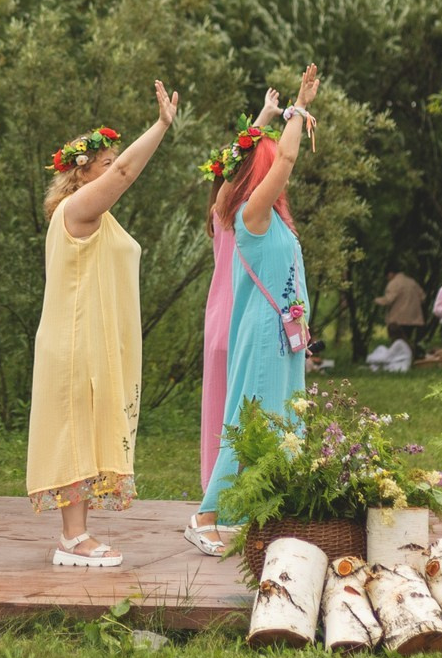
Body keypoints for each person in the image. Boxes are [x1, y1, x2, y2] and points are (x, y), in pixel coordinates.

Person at [26, 81, 181, 569]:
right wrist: (159, 125)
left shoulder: (98, 216)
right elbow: (128, 170)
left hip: (90, 340)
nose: (112, 164)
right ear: (83, 170)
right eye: (104, 161)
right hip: (73, 342)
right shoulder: (78, 210)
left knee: (88, 430)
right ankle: (72, 539)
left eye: (112, 158)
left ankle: (78, 533)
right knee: (75, 432)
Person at [195, 64, 321, 551]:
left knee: (286, 421)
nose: (278, 167)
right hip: (260, 334)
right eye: (269, 162)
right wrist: (296, 108)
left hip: (284, 337)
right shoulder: (251, 214)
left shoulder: (277, 220)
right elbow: (287, 158)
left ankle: (270, 513)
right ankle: (208, 517)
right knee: (250, 419)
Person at [199, 89, 282, 497]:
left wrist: (263, 119)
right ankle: (226, 494)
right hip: (237, 318)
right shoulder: (233, 212)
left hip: (227, 319)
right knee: (236, 410)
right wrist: (261, 122)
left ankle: (235, 490)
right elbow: (236, 167)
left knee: (231, 408)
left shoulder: (238, 214)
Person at [376, 267, 428, 363]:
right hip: (414, 318)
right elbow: (423, 297)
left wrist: (377, 300)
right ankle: (411, 359)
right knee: (407, 340)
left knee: (398, 342)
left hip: (398, 319)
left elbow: (388, 300)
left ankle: (399, 361)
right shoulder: (412, 282)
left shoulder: (394, 283)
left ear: (390, 274)